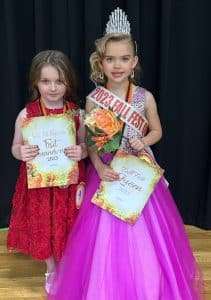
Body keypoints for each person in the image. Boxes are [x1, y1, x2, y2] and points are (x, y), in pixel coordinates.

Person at [48, 8, 203, 300]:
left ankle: (149, 285)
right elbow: (92, 142)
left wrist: (143, 142)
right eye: (110, 59)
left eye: (123, 58)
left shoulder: (145, 97)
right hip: (108, 170)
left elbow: (158, 131)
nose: (116, 65)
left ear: (133, 62)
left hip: (138, 169)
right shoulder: (95, 99)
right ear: (101, 62)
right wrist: (98, 166)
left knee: (147, 233)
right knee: (104, 234)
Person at [7, 50, 87, 293]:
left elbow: (85, 146)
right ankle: (51, 268)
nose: (53, 87)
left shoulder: (77, 113)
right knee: (45, 223)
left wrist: (80, 151)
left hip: (68, 183)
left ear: (68, 83)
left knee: (68, 224)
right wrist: (21, 153)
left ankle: (68, 266)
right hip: (39, 184)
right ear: (35, 82)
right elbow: (14, 147)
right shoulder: (26, 115)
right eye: (46, 81)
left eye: (59, 81)